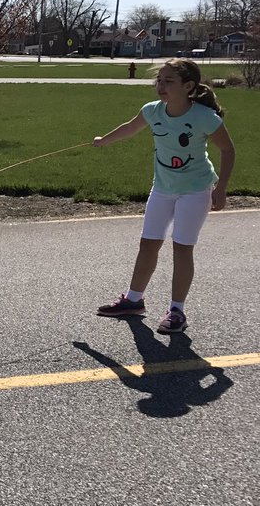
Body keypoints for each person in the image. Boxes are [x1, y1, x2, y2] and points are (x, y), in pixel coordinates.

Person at [92, 58, 236, 334]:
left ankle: (177, 311)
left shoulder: (204, 117)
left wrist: (221, 187)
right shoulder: (152, 111)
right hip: (163, 188)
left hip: (195, 190)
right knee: (148, 244)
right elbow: (130, 127)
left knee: (182, 247)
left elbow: (228, 151)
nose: (161, 86)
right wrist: (104, 140)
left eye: (169, 81)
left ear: (188, 86)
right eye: (160, 80)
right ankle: (133, 300)